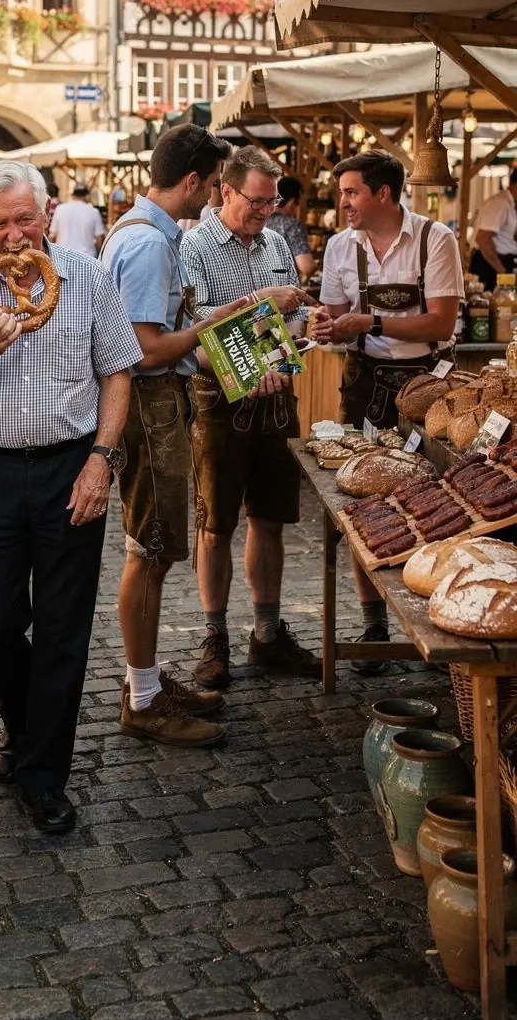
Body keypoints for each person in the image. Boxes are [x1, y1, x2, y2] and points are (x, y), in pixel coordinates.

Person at [0, 162, 141, 835]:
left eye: (26, 218)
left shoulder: (86, 277)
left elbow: (117, 372)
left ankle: (43, 774)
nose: (15, 233)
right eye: (0, 223)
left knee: (62, 628)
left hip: (69, 467)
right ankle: (22, 731)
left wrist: (101, 463)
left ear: (48, 213)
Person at [102, 125, 254, 747]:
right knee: (152, 548)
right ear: (192, 181)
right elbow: (143, 350)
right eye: (216, 185)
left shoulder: (148, 234)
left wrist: (212, 323)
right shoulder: (149, 245)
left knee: (155, 547)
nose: (217, 197)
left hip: (155, 403)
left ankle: (148, 681)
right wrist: (222, 323)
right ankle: (142, 698)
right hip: (148, 404)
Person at [314, 151, 463, 670]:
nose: (344, 201)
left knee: (434, 496)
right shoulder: (339, 246)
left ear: (382, 194)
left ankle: (436, 609)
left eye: (352, 192)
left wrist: (369, 322)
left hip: (425, 385)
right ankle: (373, 618)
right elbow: (336, 318)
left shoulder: (434, 239)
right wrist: (324, 325)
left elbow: (441, 324)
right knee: (360, 498)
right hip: (364, 382)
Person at [182, 148, 321, 690]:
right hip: (219, 402)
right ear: (226, 190)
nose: (267, 210)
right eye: (257, 201)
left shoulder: (278, 242)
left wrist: (309, 325)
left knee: (271, 517)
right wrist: (253, 352)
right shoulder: (194, 246)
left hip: (277, 399)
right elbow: (192, 332)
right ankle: (214, 635)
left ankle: (266, 632)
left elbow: (293, 314)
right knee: (215, 523)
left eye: (273, 201)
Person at [469, 168, 517, 291]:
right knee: (487, 305)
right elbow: (483, 239)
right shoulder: (500, 203)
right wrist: (502, 271)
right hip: (490, 265)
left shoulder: (509, 204)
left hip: (499, 263)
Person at [266, 175, 315, 281]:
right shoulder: (292, 225)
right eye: (298, 204)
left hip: (259, 292)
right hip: (284, 291)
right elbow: (306, 267)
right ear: (292, 203)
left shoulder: (260, 221)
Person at [49, 183, 105, 256]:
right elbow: (99, 238)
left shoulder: (60, 209)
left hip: (62, 257)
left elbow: (52, 235)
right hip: (87, 258)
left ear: (73, 195)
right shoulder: (94, 212)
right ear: (87, 196)